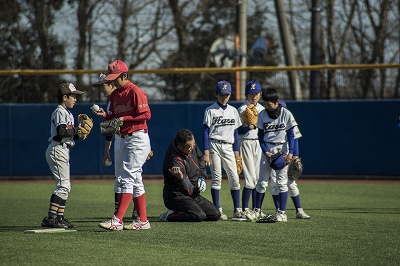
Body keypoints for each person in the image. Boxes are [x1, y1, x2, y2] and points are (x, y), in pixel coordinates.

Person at [96, 60, 152, 231]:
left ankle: (118, 220)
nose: (113, 81)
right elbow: (114, 117)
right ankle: (142, 221)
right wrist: (104, 115)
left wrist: (124, 119)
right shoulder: (115, 94)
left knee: (127, 177)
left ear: (125, 75)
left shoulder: (136, 92)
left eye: (116, 78)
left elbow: (147, 115)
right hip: (123, 138)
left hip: (137, 137)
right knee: (135, 181)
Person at [41, 83, 85, 229]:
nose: (75, 99)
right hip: (57, 149)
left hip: (63, 149)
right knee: (63, 185)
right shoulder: (60, 111)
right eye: (73, 96)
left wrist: (79, 134)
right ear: (64, 97)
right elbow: (61, 132)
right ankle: (50, 218)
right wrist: (77, 130)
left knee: (66, 185)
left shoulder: (68, 113)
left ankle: (59, 218)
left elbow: (69, 135)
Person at [203, 80, 247, 221]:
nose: (225, 97)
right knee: (216, 178)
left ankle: (237, 210)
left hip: (228, 146)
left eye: (227, 94)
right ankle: (218, 210)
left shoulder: (233, 111)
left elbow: (235, 132)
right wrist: (206, 151)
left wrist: (236, 151)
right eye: (222, 94)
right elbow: (205, 131)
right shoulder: (210, 110)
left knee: (234, 178)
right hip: (214, 144)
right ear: (216, 94)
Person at [254, 87, 298, 222]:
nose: (266, 106)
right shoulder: (262, 114)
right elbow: (260, 136)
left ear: (277, 101)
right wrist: (265, 152)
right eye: (265, 103)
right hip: (267, 149)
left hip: (282, 151)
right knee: (261, 182)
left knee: (281, 183)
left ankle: (282, 213)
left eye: (269, 104)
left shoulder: (286, 114)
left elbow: (291, 135)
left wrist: (291, 153)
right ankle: (257, 210)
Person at [159, 129, 221, 222]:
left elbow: (200, 159)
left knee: (215, 214)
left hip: (193, 194)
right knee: (199, 215)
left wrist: (202, 177)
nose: (193, 147)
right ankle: (169, 215)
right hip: (176, 196)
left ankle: (187, 210)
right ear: (179, 147)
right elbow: (187, 190)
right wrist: (181, 178)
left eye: (193, 144)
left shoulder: (191, 145)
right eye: (190, 147)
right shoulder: (174, 161)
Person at [269, 100, 310, 219]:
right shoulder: (271, 122)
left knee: (291, 183)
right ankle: (279, 211)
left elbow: (295, 139)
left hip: (288, 155)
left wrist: (295, 156)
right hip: (275, 155)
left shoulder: (290, 121)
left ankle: (299, 210)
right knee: (274, 184)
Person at [237, 81, 265, 221]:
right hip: (246, 142)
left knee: (257, 178)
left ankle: (256, 210)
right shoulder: (242, 109)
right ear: (246, 94)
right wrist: (249, 126)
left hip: (258, 143)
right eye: (251, 93)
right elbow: (236, 131)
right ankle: (244, 209)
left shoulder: (262, 108)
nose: (254, 96)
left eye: (257, 93)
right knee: (249, 179)